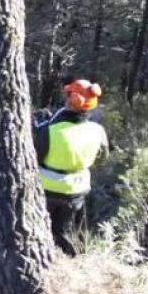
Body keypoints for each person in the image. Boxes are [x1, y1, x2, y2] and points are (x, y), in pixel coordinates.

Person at [34, 79, 109, 254]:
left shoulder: (50, 130)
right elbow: (102, 159)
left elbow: (35, 158)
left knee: (42, 231)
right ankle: (73, 259)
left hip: (46, 190)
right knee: (71, 234)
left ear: (71, 100)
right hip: (78, 191)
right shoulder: (98, 131)